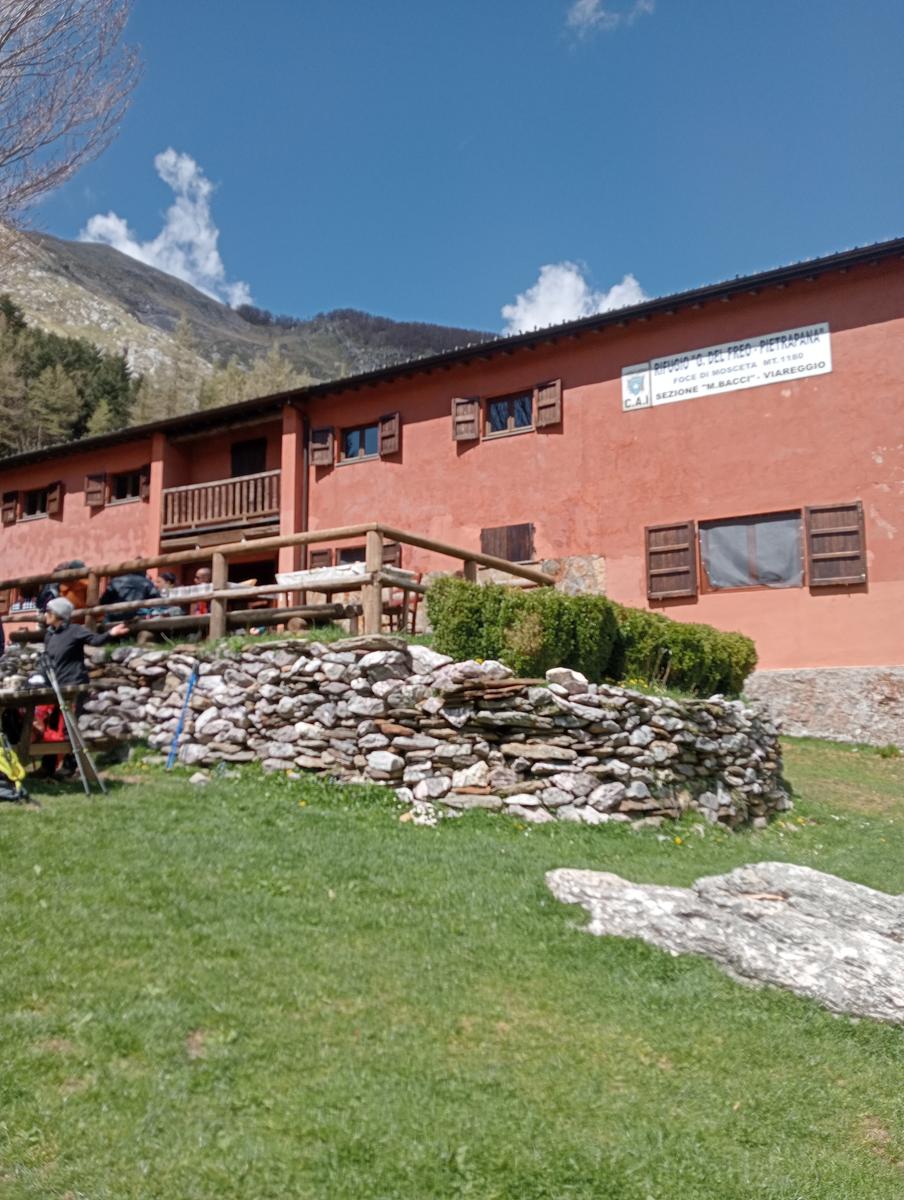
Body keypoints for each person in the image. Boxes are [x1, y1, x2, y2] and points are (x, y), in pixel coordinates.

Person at [41, 597, 130, 778]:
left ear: (58, 615)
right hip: (55, 686)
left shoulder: (75, 631)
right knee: (51, 726)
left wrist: (111, 633)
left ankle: (69, 767)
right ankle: (47, 767)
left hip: (74, 685)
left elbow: (95, 640)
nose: (45, 615)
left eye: (48, 612)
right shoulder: (49, 634)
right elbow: (48, 660)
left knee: (69, 727)